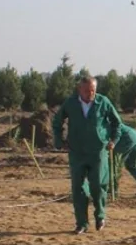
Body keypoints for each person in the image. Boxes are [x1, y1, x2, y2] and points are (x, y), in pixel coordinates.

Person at [52, 73, 122, 234]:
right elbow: (57, 122)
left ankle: (100, 215)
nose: (90, 94)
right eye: (86, 91)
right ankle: (81, 223)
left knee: (97, 185)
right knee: (78, 188)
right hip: (77, 152)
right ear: (79, 89)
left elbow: (117, 123)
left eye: (92, 90)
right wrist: (59, 141)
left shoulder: (103, 102)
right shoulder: (70, 104)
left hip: (98, 151)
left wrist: (113, 140)